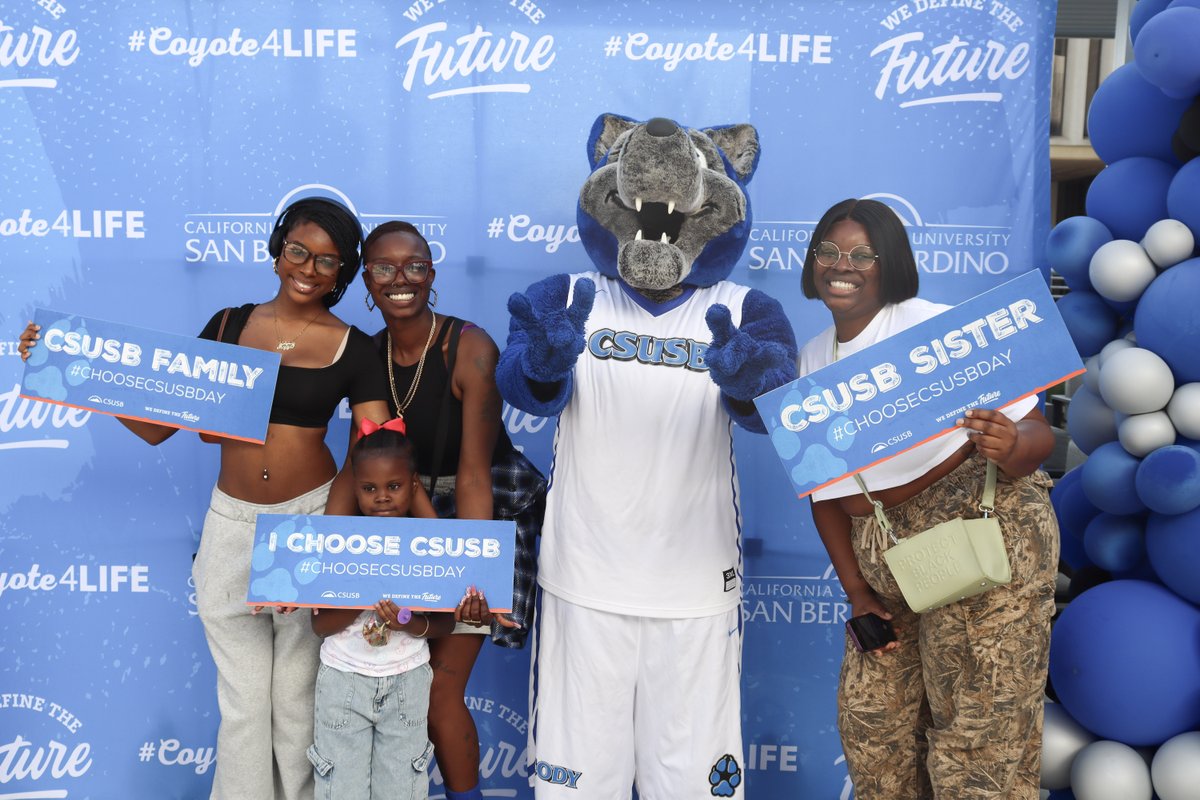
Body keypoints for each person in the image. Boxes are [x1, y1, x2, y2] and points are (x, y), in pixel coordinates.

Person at [18, 196, 394, 800]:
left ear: (343, 275)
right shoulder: (226, 326)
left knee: (297, 704)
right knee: (244, 704)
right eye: (298, 250)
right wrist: (70, 365)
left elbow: (378, 454)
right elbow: (157, 424)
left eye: (328, 262)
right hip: (232, 527)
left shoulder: (356, 347)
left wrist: (329, 539)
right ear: (277, 251)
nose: (308, 268)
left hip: (311, 521)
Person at [796, 198, 1060, 800]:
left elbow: (1037, 435)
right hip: (889, 561)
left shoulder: (939, 329)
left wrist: (1010, 441)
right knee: (874, 730)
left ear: (889, 263)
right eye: (829, 252)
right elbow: (824, 494)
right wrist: (857, 593)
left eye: (862, 254)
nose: (844, 265)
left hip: (982, 540)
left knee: (978, 741)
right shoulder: (814, 357)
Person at [349, 220, 546, 800]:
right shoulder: (370, 355)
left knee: (440, 688)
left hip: (483, 509)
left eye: (414, 265)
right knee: (400, 682)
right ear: (367, 278)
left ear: (432, 274)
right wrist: (313, 556)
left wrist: (475, 575)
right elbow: (361, 464)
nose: (400, 278)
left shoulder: (471, 347)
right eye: (384, 267)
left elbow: (474, 475)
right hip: (404, 508)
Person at [308, 419, 455, 800]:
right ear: (354, 488)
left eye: (394, 486)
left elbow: (443, 624)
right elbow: (320, 624)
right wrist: (365, 590)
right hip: (343, 682)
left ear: (413, 485)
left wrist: (404, 619)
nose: (383, 497)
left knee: (402, 790)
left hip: (407, 682)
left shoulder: (428, 550)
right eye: (369, 488)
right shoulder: (342, 545)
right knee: (341, 790)